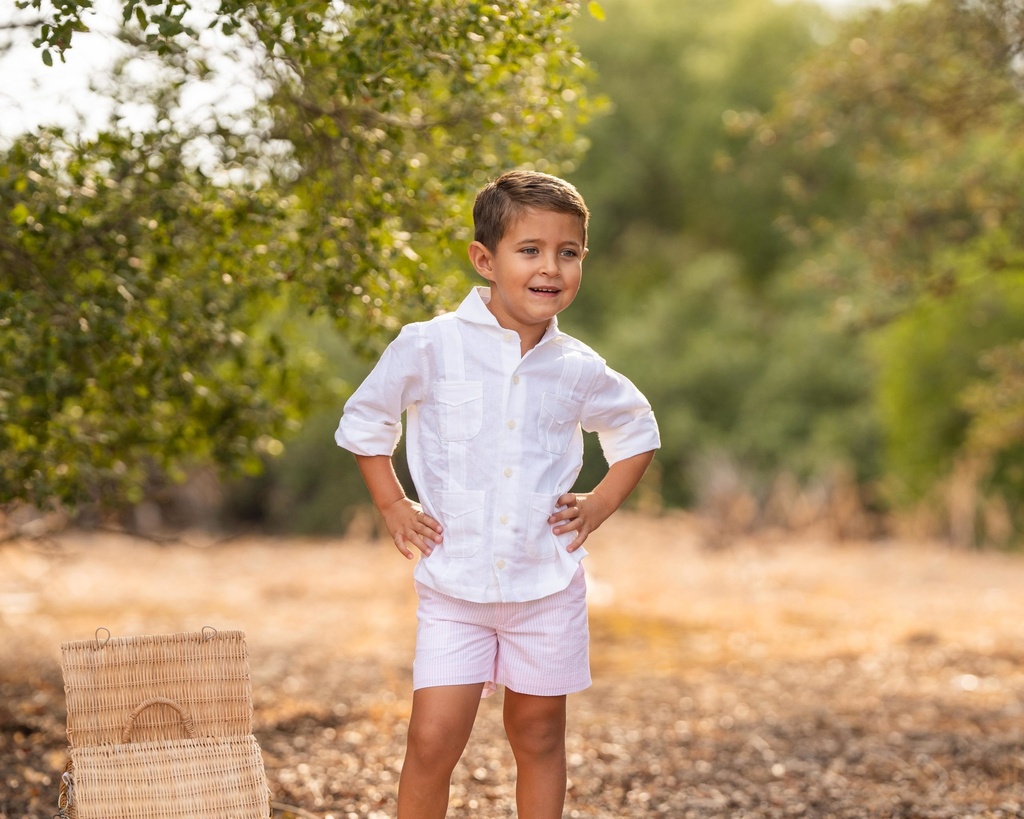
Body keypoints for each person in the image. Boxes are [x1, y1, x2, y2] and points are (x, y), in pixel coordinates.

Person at [334, 169, 659, 819]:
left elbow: (637, 428)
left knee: (538, 735)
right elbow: (367, 419)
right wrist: (392, 502)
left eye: (568, 253)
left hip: (546, 587)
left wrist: (597, 504)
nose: (552, 267)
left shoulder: (579, 369)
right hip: (455, 587)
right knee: (432, 738)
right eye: (530, 250)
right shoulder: (431, 346)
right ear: (485, 259)